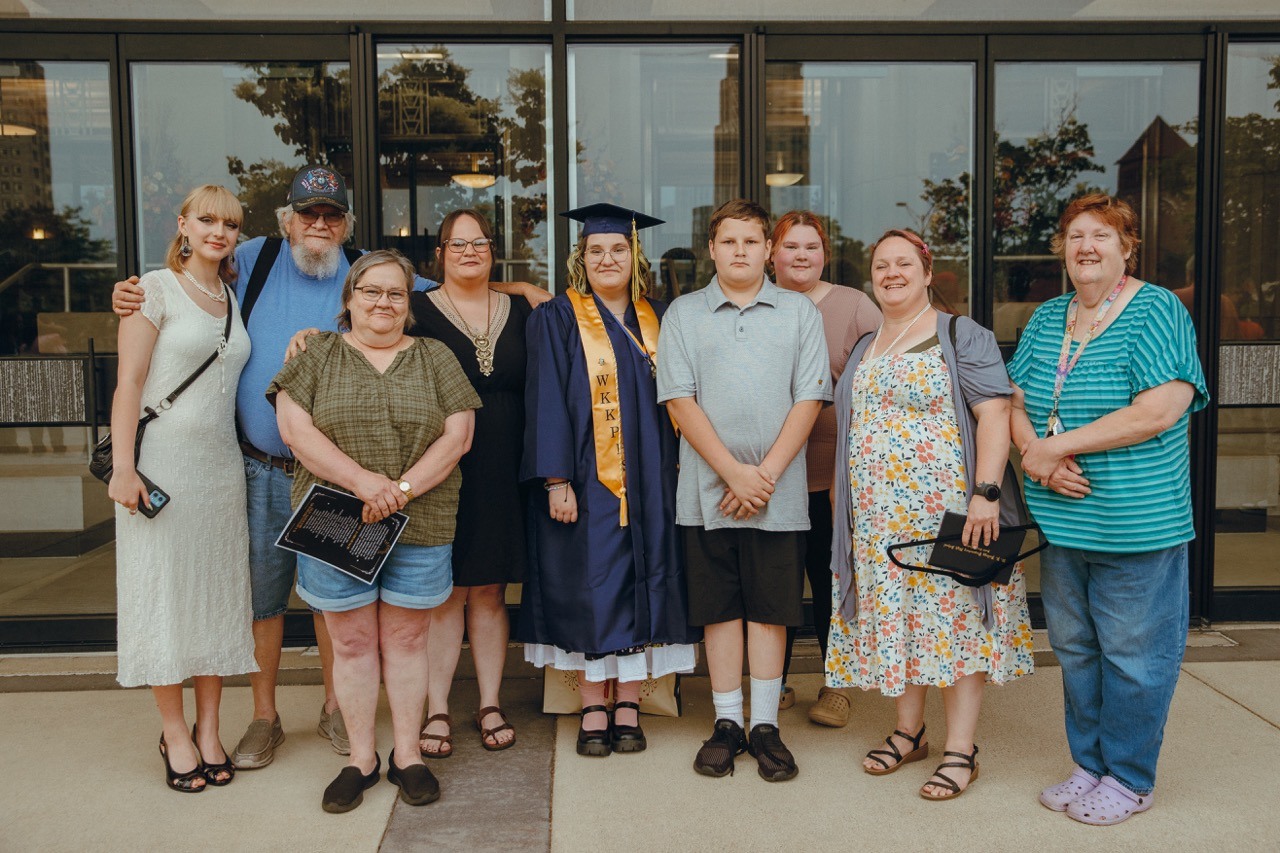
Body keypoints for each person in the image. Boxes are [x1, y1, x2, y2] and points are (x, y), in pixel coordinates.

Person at [112, 165, 548, 769]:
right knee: (263, 599)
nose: (319, 223)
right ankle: (264, 716)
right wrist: (137, 293)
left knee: (333, 602)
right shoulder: (253, 257)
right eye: (308, 213)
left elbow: (456, 280)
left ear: (347, 225)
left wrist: (520, 289)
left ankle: (337, 708)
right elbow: (193, 276)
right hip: (258, 467)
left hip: (341, 486)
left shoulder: (370, 270)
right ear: (287, 220)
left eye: (332, 215)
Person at [1009, 194, 1207, 826]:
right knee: (1076, 650)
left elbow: (1159, 410)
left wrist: (1055, 447)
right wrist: (1036, 454)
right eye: (1075, 236)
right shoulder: (1050, 316)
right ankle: (1090, 765)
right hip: (1064, 523)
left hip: (1136, 523)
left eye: (1101, 235)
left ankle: (1129, 777)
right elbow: (1013, 400)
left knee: (1135, 658)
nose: (1086, 246)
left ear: (1127, 247)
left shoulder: (1157, 309)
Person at [267, 249, 481, 813]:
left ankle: (406, 755)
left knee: (408, 641)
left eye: (395, 293)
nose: (383, 302)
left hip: (421, 519)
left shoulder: (435, 356)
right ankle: (360, 759)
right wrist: (364, 483)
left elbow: (458, 436)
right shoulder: (317, 354)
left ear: (408, 304)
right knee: (352, 642)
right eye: (371, 291)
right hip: (335, 519)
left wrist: (399, 491)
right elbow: (294, 431)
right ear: (349, 298)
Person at [826, 228, 1034, 800]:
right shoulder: (865, 344)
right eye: (881, 265)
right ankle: (908, 733)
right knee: (903, 622)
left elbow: (994, 414)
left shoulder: (961, 334)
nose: (891, 273)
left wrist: (985, 494)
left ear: (925, 272)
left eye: (903, 264)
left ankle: (961, 750)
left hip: (949, 514)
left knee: (955, 626)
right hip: (877, 521)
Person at [656, 198, 829, 782]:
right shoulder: (684, 313)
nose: (740, 251)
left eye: (751, 241)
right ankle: (727, 722)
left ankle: (765, 725)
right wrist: (733, 472)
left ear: (768, 250)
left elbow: (810, 397)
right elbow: (679, 400)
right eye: (728, 241)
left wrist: (764, 476)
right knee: (721, 610)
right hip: (707, 492)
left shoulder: (798, 312)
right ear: (712, 248)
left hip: (778, 494)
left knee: (771, 611)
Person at [520, 203, 700, 757]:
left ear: (634, 255)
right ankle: (593, 703)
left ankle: (629, 702)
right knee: (593, 585)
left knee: (646, 583)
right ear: (581, 258)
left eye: (618, 249)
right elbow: (546, 400)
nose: (607, 259)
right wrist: (556, 480)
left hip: (656, 477)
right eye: (595, 250)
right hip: (587, 479)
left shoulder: (662, 317)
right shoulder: (556, 318)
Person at [108, 184, 257, 792]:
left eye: (230, 224)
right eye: (207, 220)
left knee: (215, 599)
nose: (219, 232)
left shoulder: (231, 295)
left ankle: (210, 729)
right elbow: (129, 384)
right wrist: (123, 468)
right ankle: (175, 733)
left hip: (221, 471)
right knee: (166, 599)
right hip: (161, 468)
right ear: (184, 225)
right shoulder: (153, 289)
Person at [415, 210, 532, 757]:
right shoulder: (414, 310)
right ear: (440, 253)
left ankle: (489, 701)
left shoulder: (524, 309)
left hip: (505, 466)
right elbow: (363, 332)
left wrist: (524, 288)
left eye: (479, 243)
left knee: (489, 589)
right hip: (440, 466)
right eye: (457, 244)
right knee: (445, 591)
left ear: (493, 250)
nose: (469, 252)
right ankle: (437, 706)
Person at [769, 210, 882, 725]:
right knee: (776, 584)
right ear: (772, 254)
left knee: (830, 580)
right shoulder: (758, 303)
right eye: (791, 246)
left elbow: (887, 370)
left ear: (825, 254)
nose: (801, 256)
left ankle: (837, 684)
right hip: (771, 473)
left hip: (832, 473)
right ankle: (775, 682)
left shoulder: (854, 306)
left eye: (811, 247)